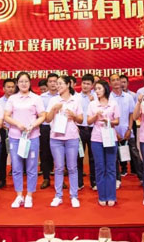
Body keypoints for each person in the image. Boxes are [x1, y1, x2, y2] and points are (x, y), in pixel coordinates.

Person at [4, 72, 46, 208]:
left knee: (32, 167)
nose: (23, 84)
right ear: (17, 83)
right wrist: (17, 124)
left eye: (26, 81)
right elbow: (6, 116)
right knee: (16, 167)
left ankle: (29, 195)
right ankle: (19, 195)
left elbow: (42, 116)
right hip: (15, 137)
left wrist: (32, 125)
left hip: (32, 137)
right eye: (21, 81)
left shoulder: (36, 98)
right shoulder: (12, 98)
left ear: (30, 83)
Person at [45, 75, 83, 208]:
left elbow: (81, 120)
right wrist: (53, 109)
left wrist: (74, 115)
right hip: (56, 138)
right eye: (57, 83)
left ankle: (74, 196)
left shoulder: (75, 100)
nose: (58, 86)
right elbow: (47, 119)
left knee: (72, 168)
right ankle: (58, 196)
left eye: (61, 83)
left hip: (72, 137)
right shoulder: (53, 100)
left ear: (68, 85)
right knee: (59, 167)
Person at [87, 80, 120, 207]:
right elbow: (89, 121)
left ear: (105, 89)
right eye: (96, 89)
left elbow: (117, 121)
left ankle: (111, 196)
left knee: (111, 168)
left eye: (99, 88)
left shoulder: (113, 103)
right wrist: (96, 115)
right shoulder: (92, 104)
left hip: (110, 137)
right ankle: (102, 196)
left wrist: (109, 121)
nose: (97, 91)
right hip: (96, 139)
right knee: (100, 168)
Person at [108, 74, 134, 186]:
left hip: (127, 130)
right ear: (110, 83)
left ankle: (142, 178)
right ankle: (117, 179)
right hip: (113, 131)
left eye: (117, 79)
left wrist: (130, 129)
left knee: (135, 155)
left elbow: (131, 114)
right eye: (113, 80)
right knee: (114, 157)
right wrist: (115, 132)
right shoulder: (108, 98)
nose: (116, 82)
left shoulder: (128, 97)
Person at [76, 73, 97, 190]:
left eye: (88, 84)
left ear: (92, 85)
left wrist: (93, 102)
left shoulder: (96, 97)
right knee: (79, 156)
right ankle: (79, 182)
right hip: (79, 129)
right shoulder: (76, 97)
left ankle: (94, 182)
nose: (85, 86)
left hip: (93, 129)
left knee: (93, 157)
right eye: (84, 83)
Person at [40, 73, 59, 189]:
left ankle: (60, 179)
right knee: (45, 153)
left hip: (59, 127)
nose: (52, 84)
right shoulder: (41, 98)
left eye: (55, 81)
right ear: (47, 83)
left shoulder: (62, 96)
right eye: (50, 81)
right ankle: (46, 178)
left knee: (59, 154)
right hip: (45, 127)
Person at [0, 78, 16, 189]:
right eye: (8, 87)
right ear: (3, 88)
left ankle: (17, 179)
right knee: (2, 156)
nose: (11, 89)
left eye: (13, 87)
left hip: (17, 130)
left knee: (17, 156)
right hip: (3, 131)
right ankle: (1, 179)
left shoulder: (19, 101)